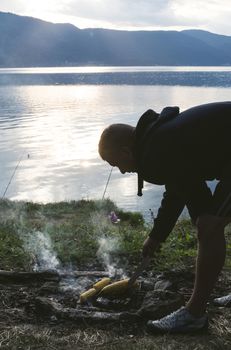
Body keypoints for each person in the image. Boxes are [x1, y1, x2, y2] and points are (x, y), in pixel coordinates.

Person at [98, 101, 231, 334]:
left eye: (116, 163)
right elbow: (179, 187)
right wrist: (157, 236)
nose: (120, 170)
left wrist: (205, 224)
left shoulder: (155, 151)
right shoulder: (157, 140)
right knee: (210, 223)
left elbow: (193, 195)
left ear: (126, 151)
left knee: (209, 226)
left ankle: (194, 315)